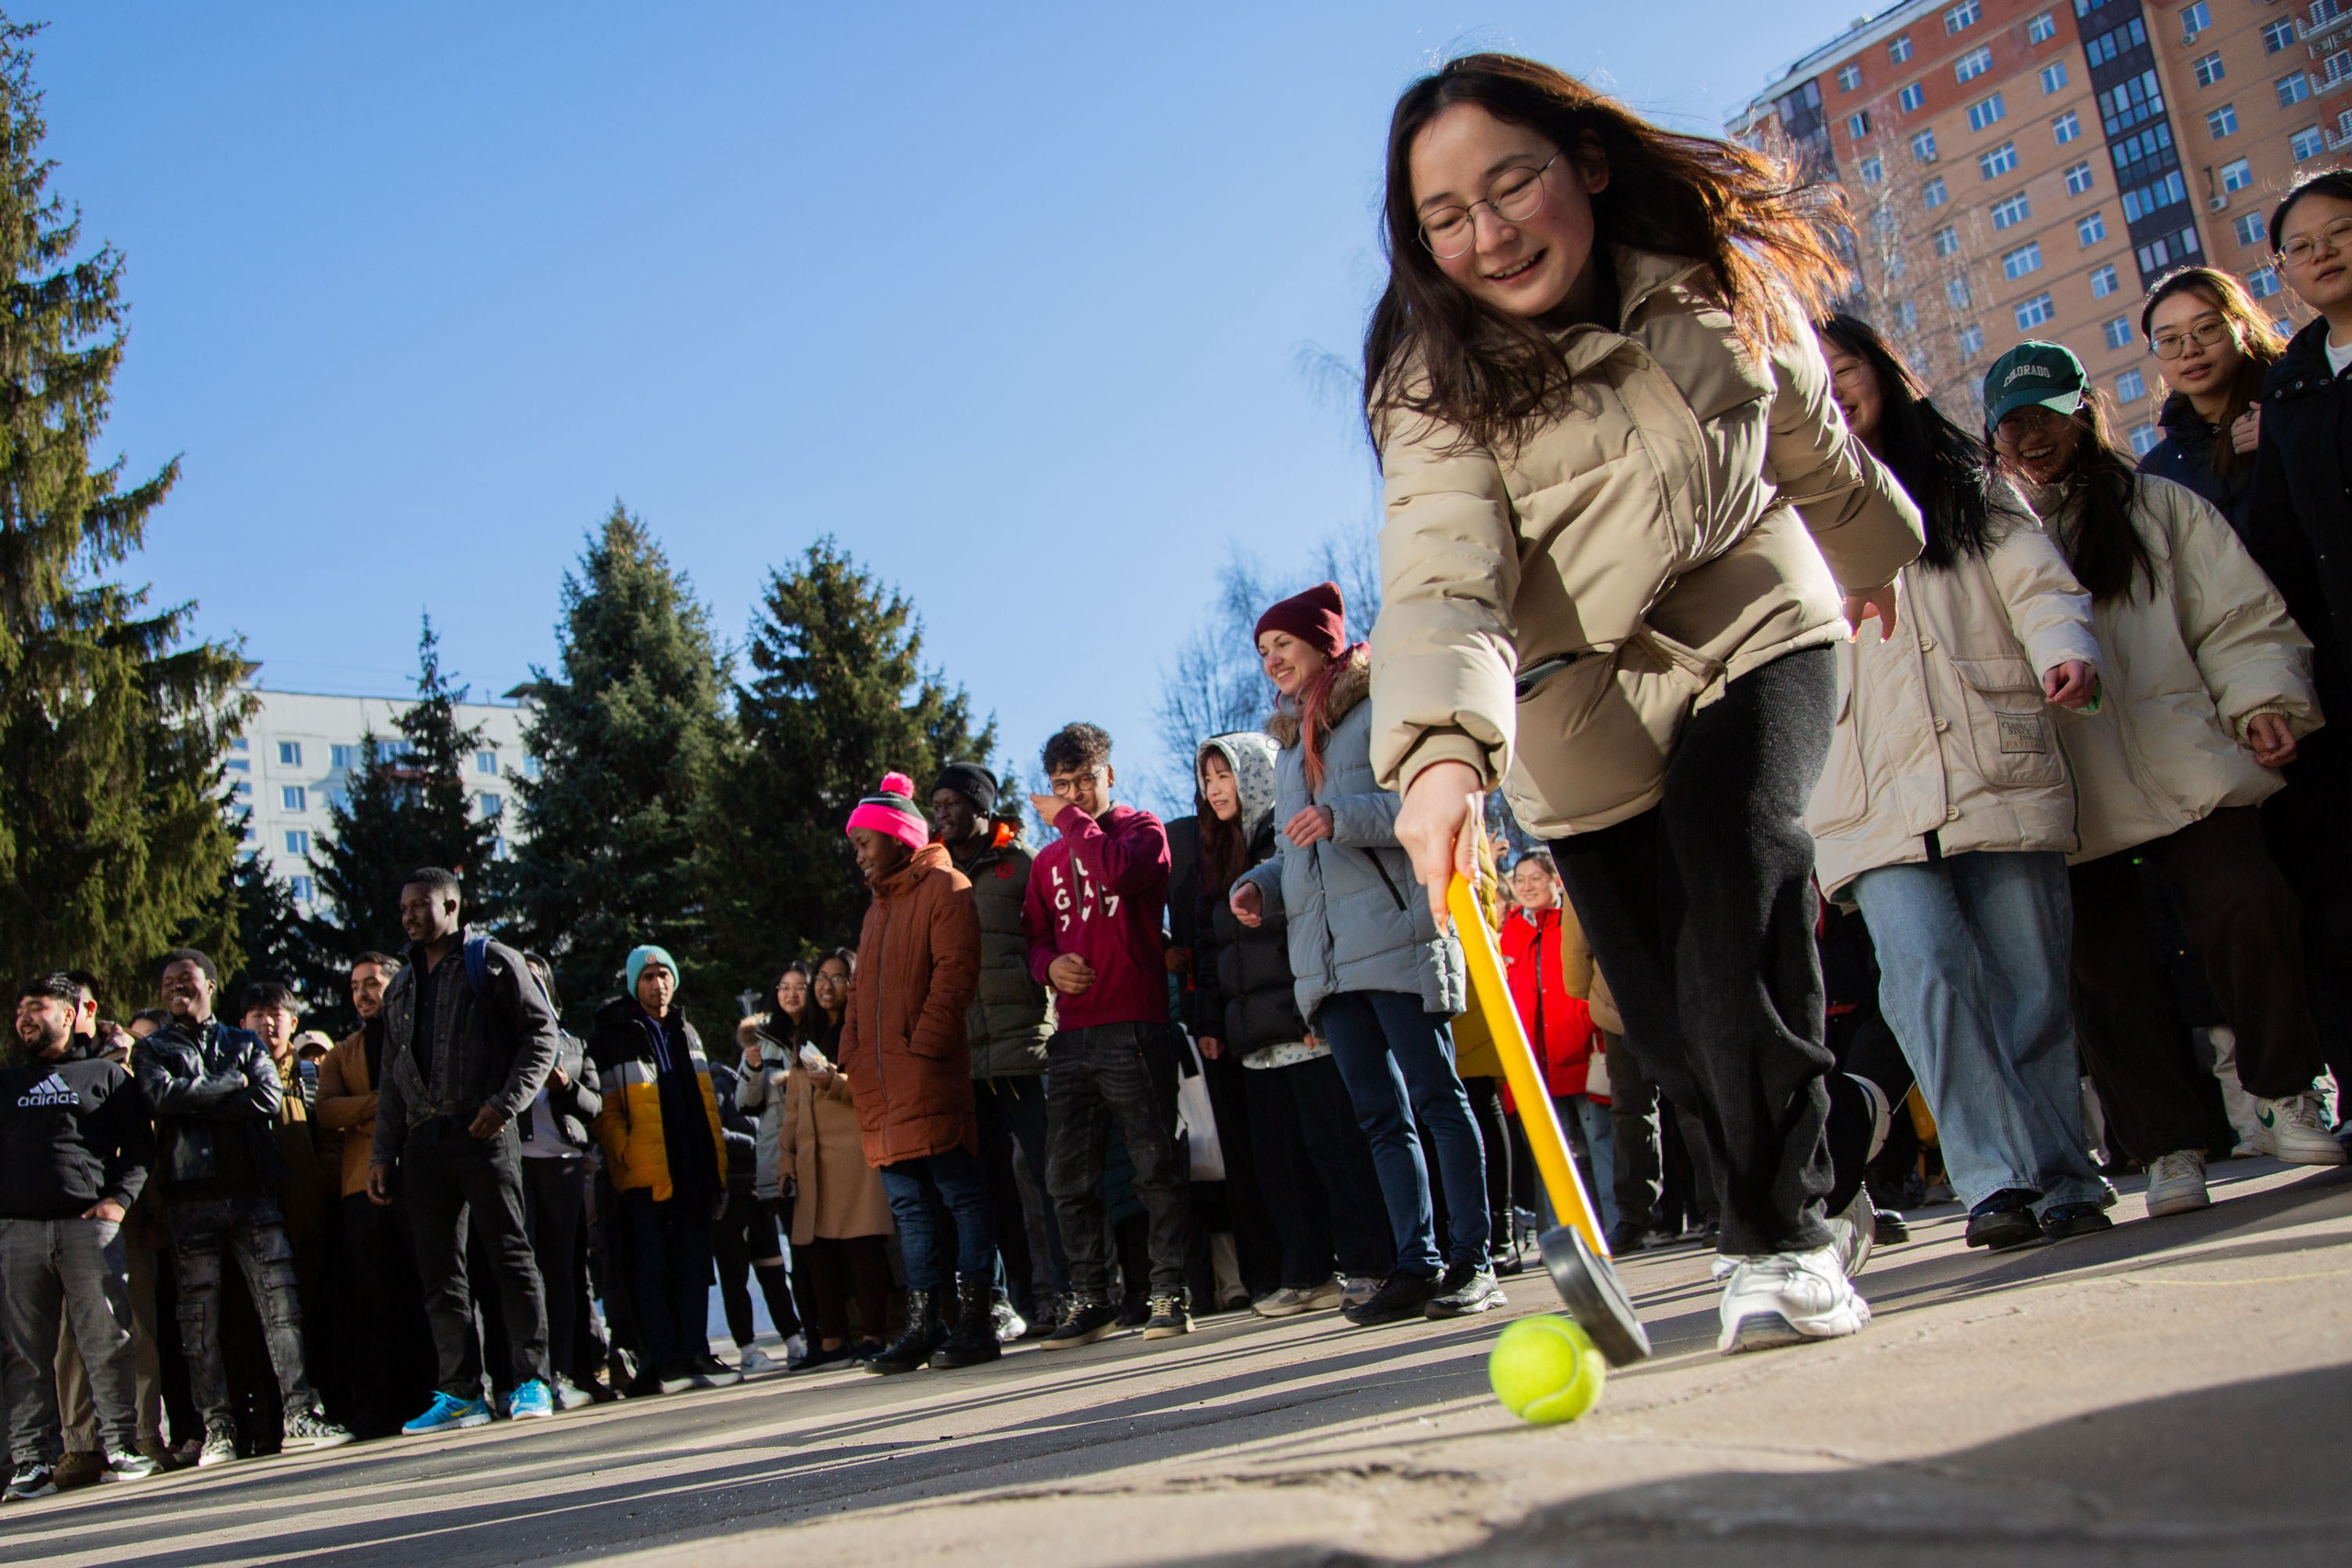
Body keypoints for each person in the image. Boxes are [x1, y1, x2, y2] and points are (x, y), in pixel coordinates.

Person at [1363, 56, 1927, 1353]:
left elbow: (1809, 440)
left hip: (1749, 608)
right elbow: (1442, 568)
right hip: (1576, 699)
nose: (1490, 233)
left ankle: (1779, 1245)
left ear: (1587, 166)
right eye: (1448, 216)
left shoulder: (1708, 274)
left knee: (1741, 867)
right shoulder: (1428, 377)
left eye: (1512, 183)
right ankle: (1830, 1132)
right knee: (1675, 1031)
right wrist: (1441, 755)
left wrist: (1877, 556)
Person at [1984, 340, 2344, 1220]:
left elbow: (2237, 617)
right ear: (1992, 436)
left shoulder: (2161, 509)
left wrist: (2263, 700)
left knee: (2249, 904)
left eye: (2050, 414)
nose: (2034, 436)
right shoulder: (1993, 532)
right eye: (2014, 422)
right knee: (2107, 973)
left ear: (2085, 415)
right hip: (2072, 796)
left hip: (2190, 759)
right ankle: (2168, 1148)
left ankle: (2289, 1090)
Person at [1807, 314, 2111, 1252]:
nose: (1832, 390)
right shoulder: (1779, 518)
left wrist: (2064, 647)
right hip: (1864, 792)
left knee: (2030, 984)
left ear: (1882, 376)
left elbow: (2039, 587)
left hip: (1992, 760)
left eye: (1845, 369)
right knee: (1926, 976)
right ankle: (1993, 1179)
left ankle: (2065, 1171)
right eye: (1809, 380)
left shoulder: (1968, 488)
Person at [1233, 583, 1490, 1326]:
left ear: (1323, 642)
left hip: (1397, 934)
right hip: (1330, 963)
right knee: (1379, 1117)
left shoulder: (1381, 710)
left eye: (1283, 643)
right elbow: (1298, 850)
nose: (1272, 659)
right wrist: (1261, 886)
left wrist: (1340, 816)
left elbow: (1422, 807)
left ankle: (1474, 1257)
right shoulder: (1286, 746)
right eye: (1262, 651)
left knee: (1438, 1098)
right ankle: (1418, 1261)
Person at [1193, 731, 1394, 1314]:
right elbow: (1217, 952)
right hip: (1256, 1039)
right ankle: (1306, 1272)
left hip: (1307, 1028)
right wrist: (1217, 1022)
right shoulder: (1222, 852)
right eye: (1207, 779)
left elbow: (1307, 928)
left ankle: (1368, 1263)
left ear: (1254, 774)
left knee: (1335, 1150)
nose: (1214, 790)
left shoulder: (1289, 836)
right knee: (1277, 1163)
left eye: (1224, 775)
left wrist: (1314, 1007)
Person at [131, 949, 352, 1461]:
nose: (174, 989)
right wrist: (230, 1083)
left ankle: (300, 1414)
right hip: (187, 1199)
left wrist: (200, 1096)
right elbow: (162, 1100)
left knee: (282, 1307)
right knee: (199, 1322)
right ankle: (218, 1428)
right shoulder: (152, 1049)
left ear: (210, 984)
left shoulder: (244, 1041)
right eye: (167, 982)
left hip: (254, 1194)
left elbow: (266, 1101)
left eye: (185, 979)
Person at [368, 868, 563, 1431]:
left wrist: (505, 1104)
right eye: (402, 907)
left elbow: (541, 1035)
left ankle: (531, 1381)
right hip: (423, 1144)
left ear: (451, 905)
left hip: (483, 1132)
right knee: (440, 1273)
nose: (407, 915)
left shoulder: (492, 961)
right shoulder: (401, 985)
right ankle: (461, 1392)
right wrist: (383, 1154)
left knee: (509, 1257)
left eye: (419, 905)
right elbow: (391, 1076)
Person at [1021, 723, 1193, 1348]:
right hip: (1071, 1037)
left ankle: (1170, 1288)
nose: (1073, 794)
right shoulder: (1044, 864)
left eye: (1085, 780)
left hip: (1136, 1024)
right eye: (1061, 786)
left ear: (1109, 776)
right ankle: (1092, 1295)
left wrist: (1070, 820)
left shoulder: (1142, 831)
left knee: (1154, 1164)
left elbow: (1119, 874)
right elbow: (1034, 938)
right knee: (1068, 1176)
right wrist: (1048, 966)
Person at [2248, 168, 2352, 1129]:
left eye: (2338, 233)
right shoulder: (2290, 387)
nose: (2322, 255)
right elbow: (2279, 548)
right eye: (2301, 246)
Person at [838, 773, 991, 1373]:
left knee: (959, 1193)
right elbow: (857, 995)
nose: (857, 855)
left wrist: (922, 1048)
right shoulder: (877, 909)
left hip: (923, 1074)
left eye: (863, 842)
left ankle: (975, 1319)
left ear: (897, 837)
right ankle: (924, 1323)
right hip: (881, 1083)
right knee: (909, 1206)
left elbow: (955, 976)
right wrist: (853, 1051)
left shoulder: (946, 886)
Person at [1, 976, 159, 1498]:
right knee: (25, 1352)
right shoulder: (6, 1083)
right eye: (20, 1009)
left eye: (37, 1007)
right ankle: (31, 1461)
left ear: (69, 1016)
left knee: (108, 1339)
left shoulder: (105, 1076)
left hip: (89, 1231)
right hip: (17, 1233)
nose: (24, 1016)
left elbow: (139, 1149)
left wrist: (117, 1202)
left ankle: (123, 1445)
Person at [933, 761, 1066, 1335]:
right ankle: (1025, 1304)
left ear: (980, 805)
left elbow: (1053, 940)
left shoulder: (1025, 863)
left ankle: (1072, 1291)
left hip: (1026, 1050)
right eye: (934, 804)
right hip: (966, 1060)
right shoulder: (934, 875)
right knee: (991, 1191)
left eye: (950, 802)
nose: (939, 812)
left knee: (1050, 1176)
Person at [587, 945, 740, 1395]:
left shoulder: (687, 1030)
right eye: (649, 976)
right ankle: (666, 1359)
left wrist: (718, 1163)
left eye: (665, 974)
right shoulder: (614, 1032)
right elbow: (605, 1108)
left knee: (694, 1265)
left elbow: (707, 1102)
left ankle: (696, 1351)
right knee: (652, 1268)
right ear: (635, 983)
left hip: (693, 1164)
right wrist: (626, 1149)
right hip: (645, 1170)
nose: (659, 983)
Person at [315, 952, 437, 1438]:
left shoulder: (418, 1038)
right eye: (355, 986)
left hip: (420, 1180)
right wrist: (383, 1104)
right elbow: (326, 1111)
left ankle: (433, 1396)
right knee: (370, 1305)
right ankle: (375, 1408)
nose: (363, 993)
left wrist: (364, 1111)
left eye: (372, 983)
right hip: (359, 1191)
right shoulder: (342, 1051)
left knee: (425, 1294)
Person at [777, 950, 895, 1371]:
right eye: (821, 978)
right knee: (816, 1250)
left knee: (862, 1246)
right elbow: (793, 1104)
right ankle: (830, 1341)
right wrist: (785, 1157)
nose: (827, 986)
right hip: (812, 1157)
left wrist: (837, 1082)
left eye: (839, 977)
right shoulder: (803, 1033)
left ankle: (873, 1335)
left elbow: (878, 1083)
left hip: (856, 1154)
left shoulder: (865, 1025)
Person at [1500, 852, 1617, 1239]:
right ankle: (1564, 1237)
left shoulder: (1573, 920)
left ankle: (1616, 1227)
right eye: (1521, 879)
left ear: (1556, 881)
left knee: (1600, 1143)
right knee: (1552, 1155)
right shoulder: (1509, 932)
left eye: (1536, 877)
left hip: (1582, 1054)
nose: (1528, 886)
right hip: (1536, 1063)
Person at [513, 954, 606, 1407]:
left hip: (563, 1163)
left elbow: (595, 1106)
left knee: (565, 1272)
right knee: (523, 1273)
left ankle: (566, 1371)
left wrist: (565, 1085)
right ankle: (529, 1375)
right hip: (515, 1165)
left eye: (535, 978)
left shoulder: (572, 1043)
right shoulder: (500, 1039)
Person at [708, 1046, 799, 1378]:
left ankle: (793, 1339)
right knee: (735, 1276)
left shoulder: (758, 1086)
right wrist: (757, 1143)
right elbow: (714, 1133)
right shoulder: (718, 1084)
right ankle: (746, 1349)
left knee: (774, 1270)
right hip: (730, 1194)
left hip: (760, 1190)